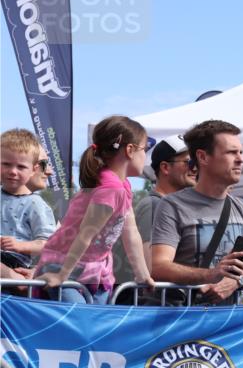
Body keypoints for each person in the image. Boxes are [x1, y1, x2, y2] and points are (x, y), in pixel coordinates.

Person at [151, 120, 243, 304]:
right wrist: (210, 274)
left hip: (230, 324)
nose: (240, 159)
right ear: (202, 157)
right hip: (186, 322)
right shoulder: (172, 206)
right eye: (231, 152)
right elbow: (159, 267)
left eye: (241, 152)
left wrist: (237, 281)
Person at [33, 116, 153, 303]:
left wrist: (142, 274)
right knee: (81, 320)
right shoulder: (110, 187)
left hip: (95, 269)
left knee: (96, 324)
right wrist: (62, 275)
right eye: (144, 149)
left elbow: (131, 233)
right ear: (130, 150)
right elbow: (85, 235)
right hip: (64, 264)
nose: (145, 156)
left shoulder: (123, 185)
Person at [135, 135, 197, 268]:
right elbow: (152, 267)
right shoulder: (154, 205)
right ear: (165, 168)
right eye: (189, 162)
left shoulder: (169, 206)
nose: (195, 168)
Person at [2, 129, 56, 270]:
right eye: (6, 164)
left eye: (21, 167)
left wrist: (20, 246)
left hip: (12, 260)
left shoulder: (36, 204)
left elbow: (49, 243)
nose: (13, 171)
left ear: (33, 169)